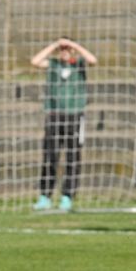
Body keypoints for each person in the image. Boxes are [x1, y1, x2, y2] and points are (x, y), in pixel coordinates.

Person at [30, 37, 97, 212]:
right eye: (62, 49)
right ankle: (45, 196)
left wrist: (75, 45)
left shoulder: (79, 64)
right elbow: (35, 61)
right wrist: (54, 45)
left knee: (73, 156)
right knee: (50, 156)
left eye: (67, 49)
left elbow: (93, 60)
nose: (64, 52)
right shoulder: (53, 64)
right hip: (54, 115)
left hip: (75, 116)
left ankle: (68, 196)